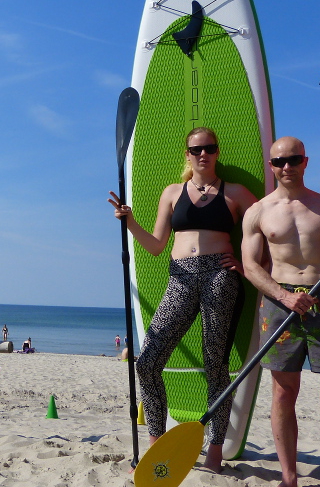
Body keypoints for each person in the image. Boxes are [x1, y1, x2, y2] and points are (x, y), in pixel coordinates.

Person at [109, 126, 256, 472]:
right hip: (180, 276)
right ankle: (157, 443)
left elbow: (267, 226)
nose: (203, 154)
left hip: (220, 276)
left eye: (209, 148)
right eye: (196, 149)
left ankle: (217, 449)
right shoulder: (173, 192)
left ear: (217, 152)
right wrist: (130, 222)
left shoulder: (236, 193)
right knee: (147, 362)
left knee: (215, 363)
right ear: (187, 155)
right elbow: (157, 245)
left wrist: (248, 265)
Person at [241, 136, 320, 487]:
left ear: (305, 161)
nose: (286, 167)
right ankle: (288, 477)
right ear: (271, 166)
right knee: (284, 393)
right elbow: (251, 267)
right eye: (279, 161)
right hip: (279, 305)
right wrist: (284, 297)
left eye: (293, 159)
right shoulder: (259, 212)